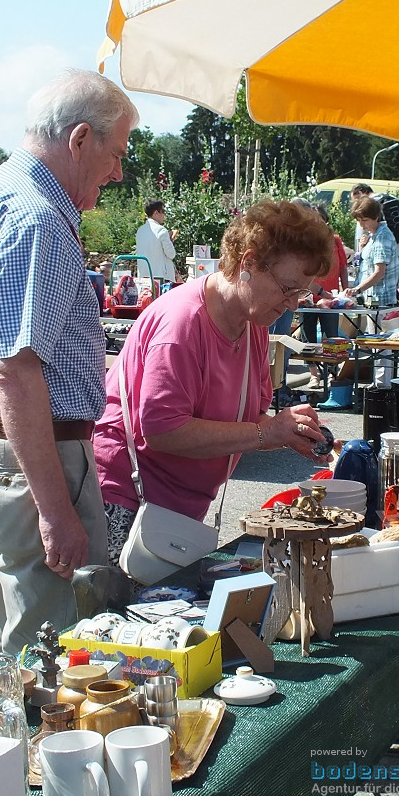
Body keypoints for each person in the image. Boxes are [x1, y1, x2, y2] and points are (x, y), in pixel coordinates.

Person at [0, 69, 138, 655]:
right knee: (55, 655)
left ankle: (7, 743)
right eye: (117, 152)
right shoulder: (37, 218)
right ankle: (44, 749)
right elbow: (17, 371)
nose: (119, 171)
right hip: (27, 457)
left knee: (0, 649)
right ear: (80, 140)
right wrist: (55, 511)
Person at [93, 200, 335, 565]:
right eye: (287, 289)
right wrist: (266, 434)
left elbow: (245, 422)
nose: (292, 307)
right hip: (127, 502)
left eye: (300, 293)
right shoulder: (182, 324)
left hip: (177, 509)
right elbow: (162, 430)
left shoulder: (251, 323)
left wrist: (285, 430)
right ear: (248, 263)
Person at [347, 196, 399, 390]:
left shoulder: (383, 237)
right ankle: (379, 383)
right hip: (375, 300)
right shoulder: (374, 236)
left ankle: (382, 386)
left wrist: (357, 289)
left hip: (382, 300)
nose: (361, 224)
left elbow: (379, 272)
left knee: (382, 346)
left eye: (365, 220)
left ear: (376, 217)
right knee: (376, 344)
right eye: (359, 220)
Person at [302, 202, 350, 382]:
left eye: (320, 220)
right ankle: (314, 374)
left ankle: (332, 372)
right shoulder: (307, 242)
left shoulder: (335, 240)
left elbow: (343, 266)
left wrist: (345, 290)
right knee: (308, 336)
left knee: (332, 336)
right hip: (309, 295)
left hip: (331, 295)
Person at [350, 182, 399, 290]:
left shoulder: (365, 209)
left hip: (382, 257)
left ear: (360, 193)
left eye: (355, 199)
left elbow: (361, 239)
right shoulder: (392, 199)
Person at [134, 199, 178, 282]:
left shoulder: (140, 231)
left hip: (143, 277)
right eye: (162, 211)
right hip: (161, 278)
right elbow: (171, 254)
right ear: (156, 212)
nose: (164, 215)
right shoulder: (161, 230)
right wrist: (170, 241)